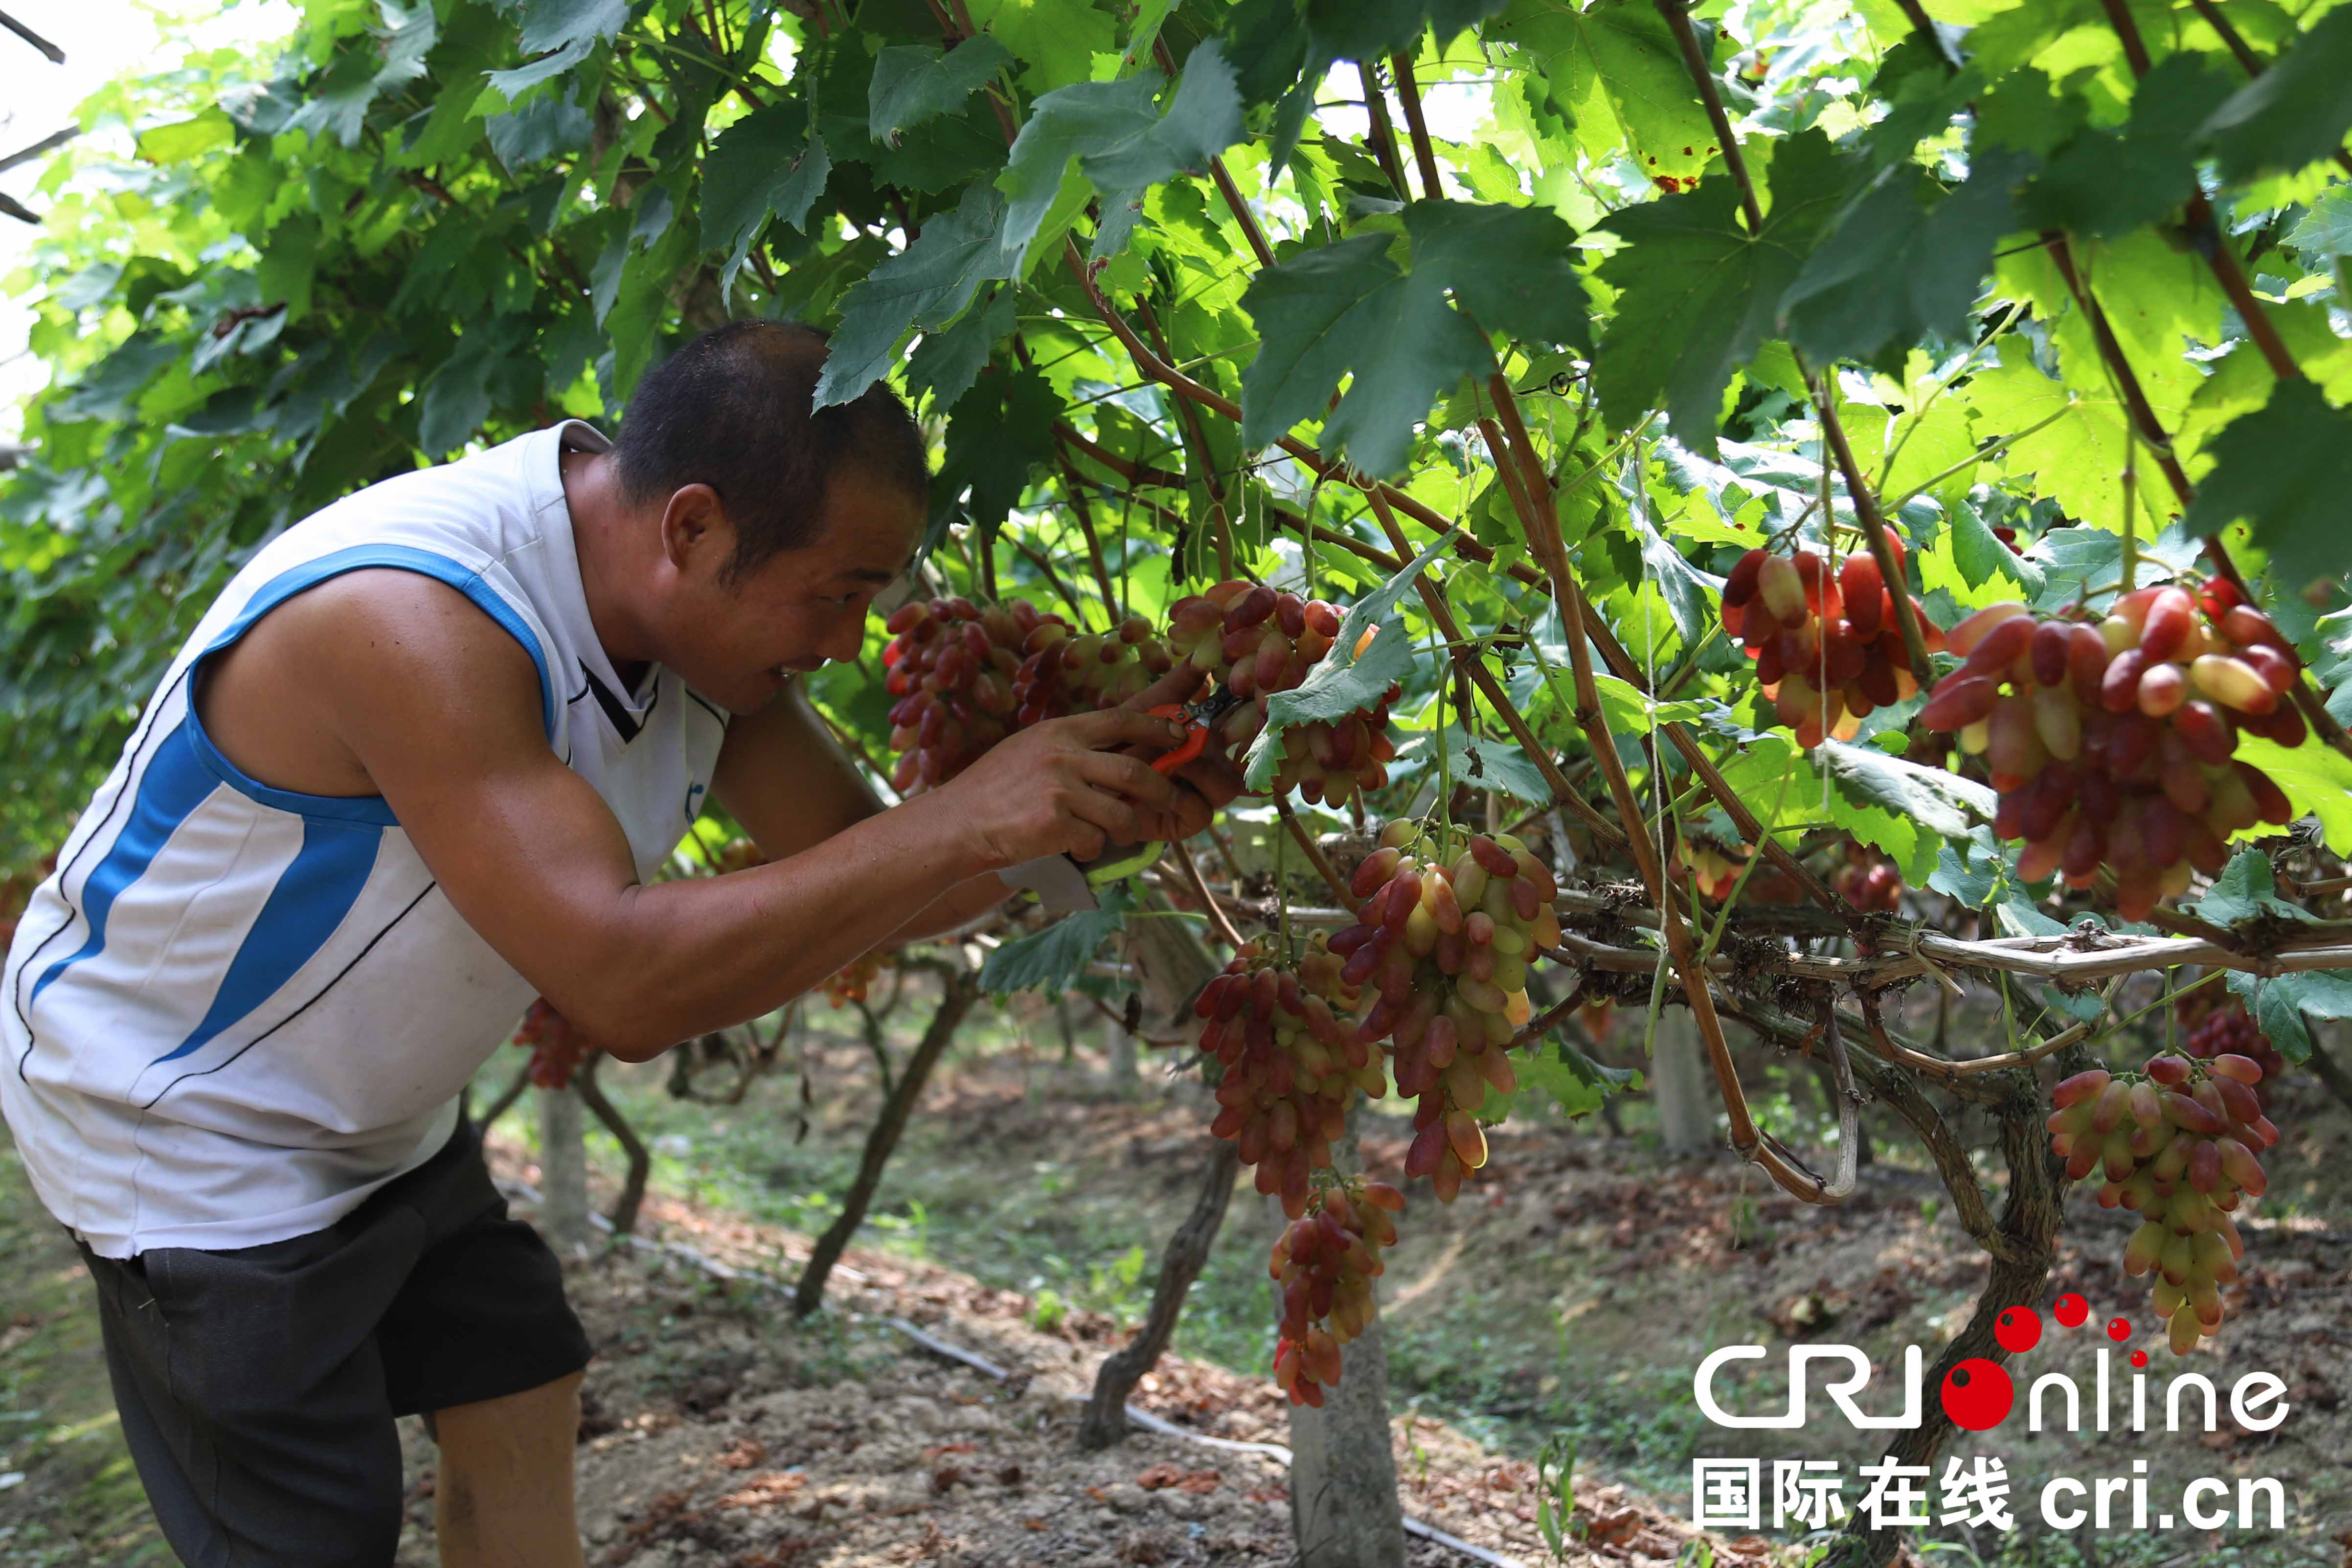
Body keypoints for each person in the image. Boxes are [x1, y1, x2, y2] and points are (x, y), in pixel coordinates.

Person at [0, 319, 1240, 1567]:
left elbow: (872, 871)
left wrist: (1076, 829)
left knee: (515, 1367)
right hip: (177, 1117)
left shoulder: (688, 627)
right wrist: (965, 817)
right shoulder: (410, 617)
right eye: (840, 590)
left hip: (359, 1108)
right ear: (692, 527)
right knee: (307, 1530)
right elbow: (620, 986)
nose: (853, 641)